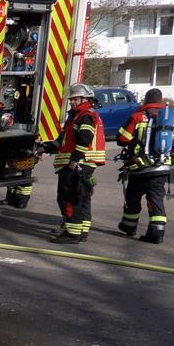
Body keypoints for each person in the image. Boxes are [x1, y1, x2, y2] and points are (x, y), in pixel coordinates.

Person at [115, 88, 174, 244]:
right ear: (160, 101)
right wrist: (169, 158)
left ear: (146, 101)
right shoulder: (172, 120)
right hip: (161, 168)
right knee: (155, 199)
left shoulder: (137, 117)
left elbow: (122, 139)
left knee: (133, 196)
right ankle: (156, 232)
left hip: (139, 167)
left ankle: (129, 226)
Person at [42, 83, 105, 244]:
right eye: (71, 99)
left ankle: (72, 233)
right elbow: (62, 140)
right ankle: (81, 231)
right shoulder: (78, 115)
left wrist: (74, 160)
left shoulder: (85, 115)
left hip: (78, 163)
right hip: (83, 163)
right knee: (82, 197)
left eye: (75, 99)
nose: (71, 102)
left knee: (69, 197)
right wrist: (45, 149)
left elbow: (84, 140)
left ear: (85, 99)